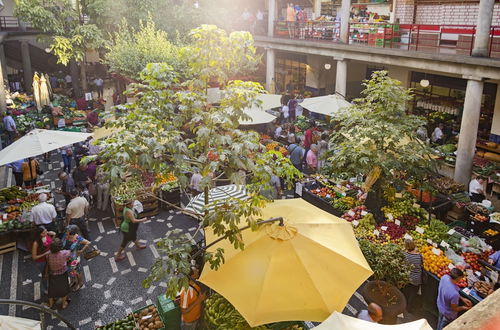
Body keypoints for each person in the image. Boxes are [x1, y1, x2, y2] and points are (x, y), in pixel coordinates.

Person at [62, 225, 90, 291]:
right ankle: (74, 280)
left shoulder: (78, 238)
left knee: (77, 271)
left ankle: (80, 283)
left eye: (68, 231)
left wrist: (80, 251)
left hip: (74, 258)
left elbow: (88, 243)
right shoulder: (65, 236)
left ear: (72, 232)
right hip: (67, 257)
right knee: (71, 270)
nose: (66, 232)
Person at [46, 238, 71, 309]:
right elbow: (70, 255)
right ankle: (63, 304)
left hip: (52, 273)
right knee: (64, 288)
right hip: (63, 273)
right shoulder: (65, 253)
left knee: (51, 289)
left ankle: (50, 304)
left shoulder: (48, 254)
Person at [31, 226, 55, 296]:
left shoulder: (47, 236)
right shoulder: (36, 243)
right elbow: (34, 257)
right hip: (41, 262)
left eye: (46, 230)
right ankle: (46, 289)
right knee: (45, 275)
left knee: (51, 273)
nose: (46, 232)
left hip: (49, 259)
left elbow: (50, 243)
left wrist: (54, 236)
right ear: (40, 234)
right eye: (44, 232)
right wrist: (45, 254)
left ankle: (51, 286)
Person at [402, 239, 423, 313]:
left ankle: (404, 305)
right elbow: (421, 265)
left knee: (407, 292)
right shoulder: (419, 256)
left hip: (408, 277)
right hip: (416, 279)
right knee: (413, 294)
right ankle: (409, 309)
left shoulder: (405, 255)